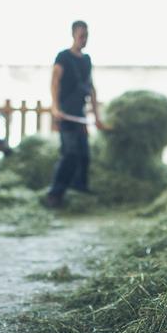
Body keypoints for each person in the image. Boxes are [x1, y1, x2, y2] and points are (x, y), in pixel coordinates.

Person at [44, 20, 108, 207]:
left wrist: (97, 117)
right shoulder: (63, 57)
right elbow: (55, 81)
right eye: (81, 36)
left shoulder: (86, 60)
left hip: (80, 115)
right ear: (73, 35)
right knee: (70, 154)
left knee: (84, 155)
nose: (84, 39)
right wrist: (55, 107)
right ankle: (55, 193)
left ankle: (80, 188)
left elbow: (91, 88)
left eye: (86, 36)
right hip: (65, 113)